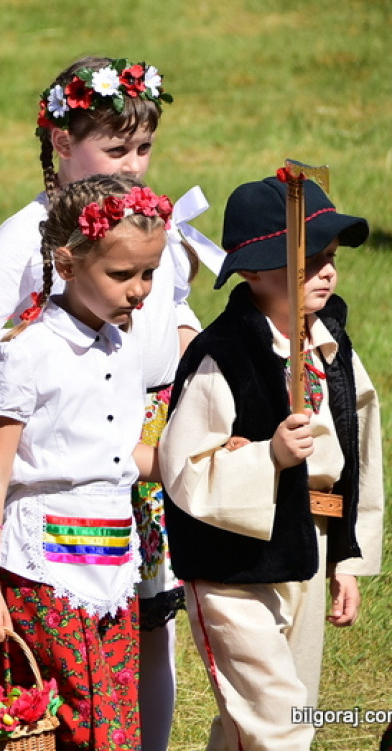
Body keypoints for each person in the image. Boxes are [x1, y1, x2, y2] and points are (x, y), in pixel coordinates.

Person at [0, 55, 222, 750]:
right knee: (64, 659)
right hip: (65, 464)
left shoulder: (147, 227)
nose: (133, 164)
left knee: (149, 624)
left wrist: (188, 354)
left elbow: (176, 310)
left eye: (144, 148)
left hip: (142, 440)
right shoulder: (33, 232)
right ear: (63, 143)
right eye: (116, 148)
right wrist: (45, 390)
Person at [159, 174, 383, 751]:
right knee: (278, 725)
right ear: (254, 271)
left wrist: (348, 556)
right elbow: (184, 470)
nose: (327, 272)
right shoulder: (222, 355)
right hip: (234, 567)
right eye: (308, 262)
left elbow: (359, 454)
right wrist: (269, 457)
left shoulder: (330, 344)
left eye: (330, 258)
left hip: (308, 544)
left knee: (268, 718)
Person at [0, 174, 171, 751]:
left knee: (110, 709)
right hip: (43, 568)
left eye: (149, 273)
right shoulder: (24, 352)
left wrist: (207, 459)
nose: (139, 291)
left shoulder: (122, 348)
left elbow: (117, 454)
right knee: (64, 715)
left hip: (114, 559)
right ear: (68, 261)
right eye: (122, 274)